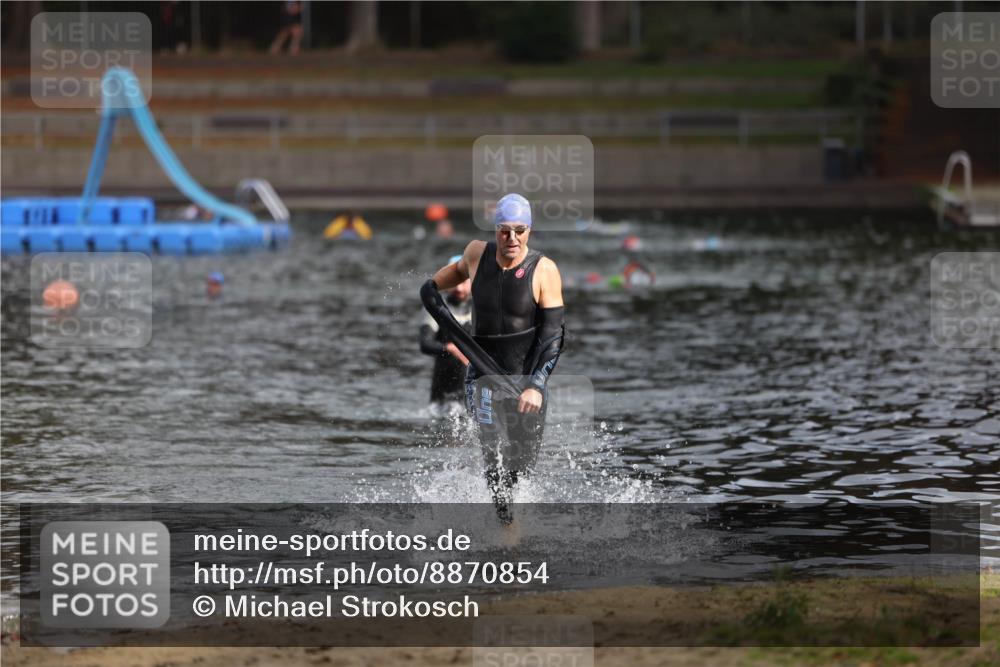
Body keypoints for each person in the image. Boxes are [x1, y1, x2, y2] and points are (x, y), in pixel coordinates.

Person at [421, 193, 565, 523]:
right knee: (492, 451)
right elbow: (436, 285)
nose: (511, 239)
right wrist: (438, 305)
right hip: (482, 377)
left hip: (524, 382)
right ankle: (506, 528)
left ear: (529, 230)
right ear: (494, 229)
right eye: (503, 230)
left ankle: (508, 516)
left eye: (519, 230)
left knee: (521, 467)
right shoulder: (475, 254)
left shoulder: (544, 270)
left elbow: (554, 336)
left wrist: (537, 385)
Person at [419, 255, 472, 405]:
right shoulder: (434, 308)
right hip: (441, 393)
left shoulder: (481, 311)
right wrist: (450, 348)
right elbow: (425, 344)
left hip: (471, 392)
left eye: (463, 282)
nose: (459, 288)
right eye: (454, 282)